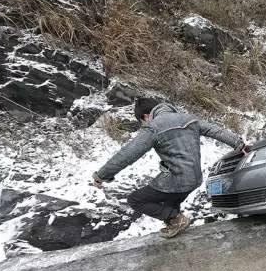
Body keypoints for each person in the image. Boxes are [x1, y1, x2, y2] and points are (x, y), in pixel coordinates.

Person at [92, 98, 247, 238]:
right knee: (170, 204)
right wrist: (239, 144)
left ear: (145, 116)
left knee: (136, 199)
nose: (144, 125)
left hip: (176, 179)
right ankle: (176, 226)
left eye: (142, 122)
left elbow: (127, 154)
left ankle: (177, 220)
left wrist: (102, 175)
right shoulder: (189, 119)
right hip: (195, 179)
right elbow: (216, 131)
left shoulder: (154, 127)